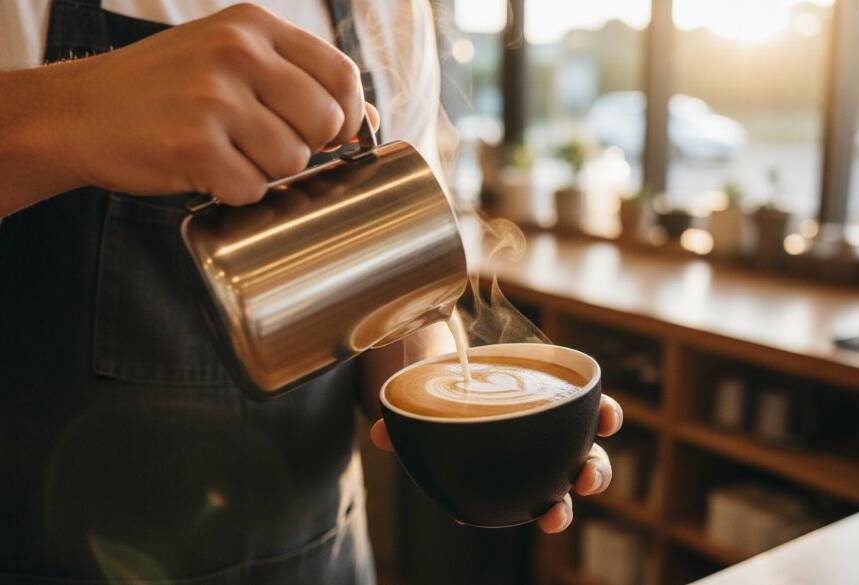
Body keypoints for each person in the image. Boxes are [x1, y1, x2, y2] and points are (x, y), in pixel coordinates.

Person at [0, 1, 623, 583]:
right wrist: (73, 111)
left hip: (318, 558)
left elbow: (403, 309)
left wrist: (464, 424)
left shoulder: (389, 10)